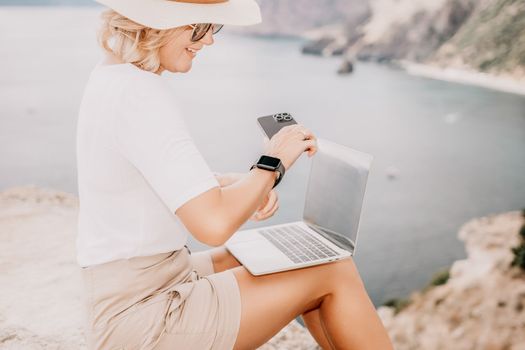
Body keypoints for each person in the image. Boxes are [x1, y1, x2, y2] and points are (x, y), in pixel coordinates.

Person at [76, 0, 394, 349]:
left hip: (135, 290)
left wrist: (239, 185)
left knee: (290, 255)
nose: (209, 39)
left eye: (213, 27)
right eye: (199, 27)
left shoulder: (112, 77)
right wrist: (271, 164)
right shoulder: (141, 93)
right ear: (156, 24)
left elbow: (150, 176)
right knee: (332, 270)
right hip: (143, 318)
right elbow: (213, 226)